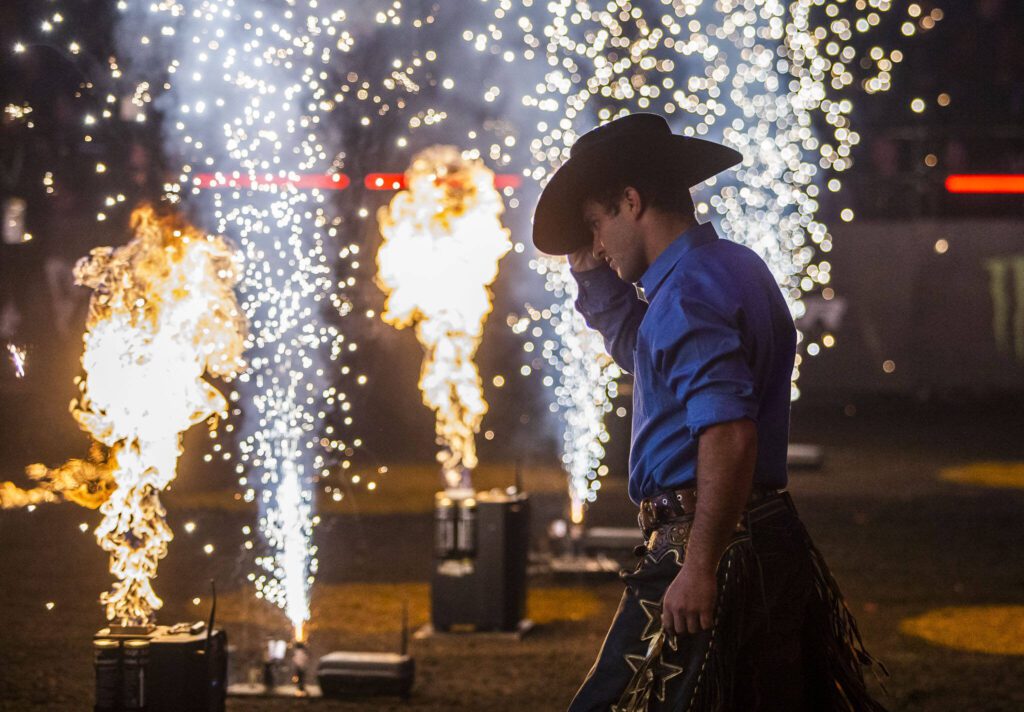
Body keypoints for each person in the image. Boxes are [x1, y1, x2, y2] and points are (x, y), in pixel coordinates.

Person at [532, 113, 887, 711]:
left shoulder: (687, 295)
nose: (594, 244)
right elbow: (654, 357)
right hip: (761, 538)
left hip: (706, 542)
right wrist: (592, 278)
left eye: (595, 226)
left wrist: (698, 566)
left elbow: (728, 433)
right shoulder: (731, 268)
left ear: (631, 200)